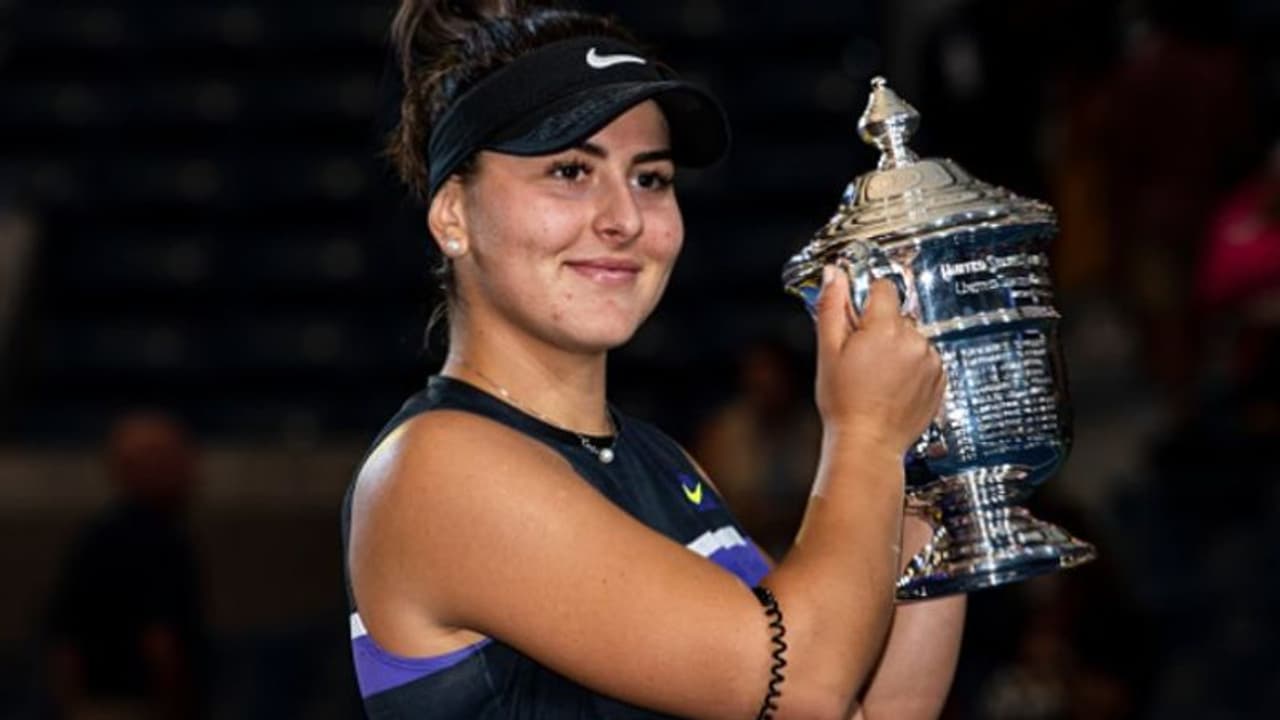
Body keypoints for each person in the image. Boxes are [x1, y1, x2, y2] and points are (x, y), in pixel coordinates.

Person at [342, 2, 965, 718]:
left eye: (651, 178)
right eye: (571, 170)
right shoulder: (437, 468)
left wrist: (929, 473)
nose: (625, 219)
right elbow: (801, 683)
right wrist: (866, 434)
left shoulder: (662, 464)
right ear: (452, 214)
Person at [45, 412, 205, 720]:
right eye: (166, 458)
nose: (186, 467)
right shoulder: (149, 539)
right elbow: (159, 643)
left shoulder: (99, 535)